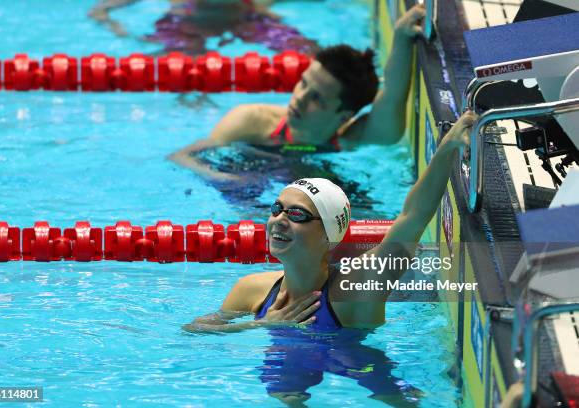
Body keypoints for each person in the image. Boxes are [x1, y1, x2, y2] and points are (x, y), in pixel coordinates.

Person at [183, 111, 477, 405]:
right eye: (277, 209)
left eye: (297, 214)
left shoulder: (357, 288)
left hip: (356, 361)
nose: (279, 220)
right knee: (281, 393)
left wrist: (448, 147)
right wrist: (261, 325)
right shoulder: (253, 290)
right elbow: (195, 330)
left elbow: (413, 217)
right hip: (288, 362)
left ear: (328, 235)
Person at [168, 4, 427, 182]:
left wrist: (401, 37)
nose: (299, 99)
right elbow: (182, 156)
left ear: (342, 115)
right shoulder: (250, 120)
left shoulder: (352, 137)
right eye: (303, 84)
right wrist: (228, 179)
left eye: (317, 98)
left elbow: (392, 94)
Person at [88, 0, 319, 55]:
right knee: (176, 58)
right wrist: (110, 20)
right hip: (189, 25)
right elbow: (101, 9)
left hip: (243, 22)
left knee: (307, 50)